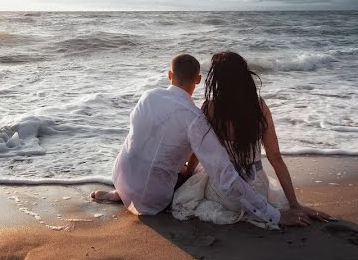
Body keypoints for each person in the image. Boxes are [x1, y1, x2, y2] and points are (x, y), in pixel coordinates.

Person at [91, 54, 312, 228]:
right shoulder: (250, 108)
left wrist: (186, 169)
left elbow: (145, 138)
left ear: (170, 75)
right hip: (157, 201)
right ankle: (134, 190)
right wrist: (285, 209)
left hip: (122, 176)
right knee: (199, 172)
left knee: (181, 173)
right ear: (197, 80)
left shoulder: (151, 97)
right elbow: (265, 161)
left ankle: (122, 192)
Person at [171, 51, 333, 227]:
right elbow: (275, 157)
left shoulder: (209, 107)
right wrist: (294, 204)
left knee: (197, 183)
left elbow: (199, 150)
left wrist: (188, 174)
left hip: (224, 193)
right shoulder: (259, 106)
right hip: (257, 191)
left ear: (217, 79)